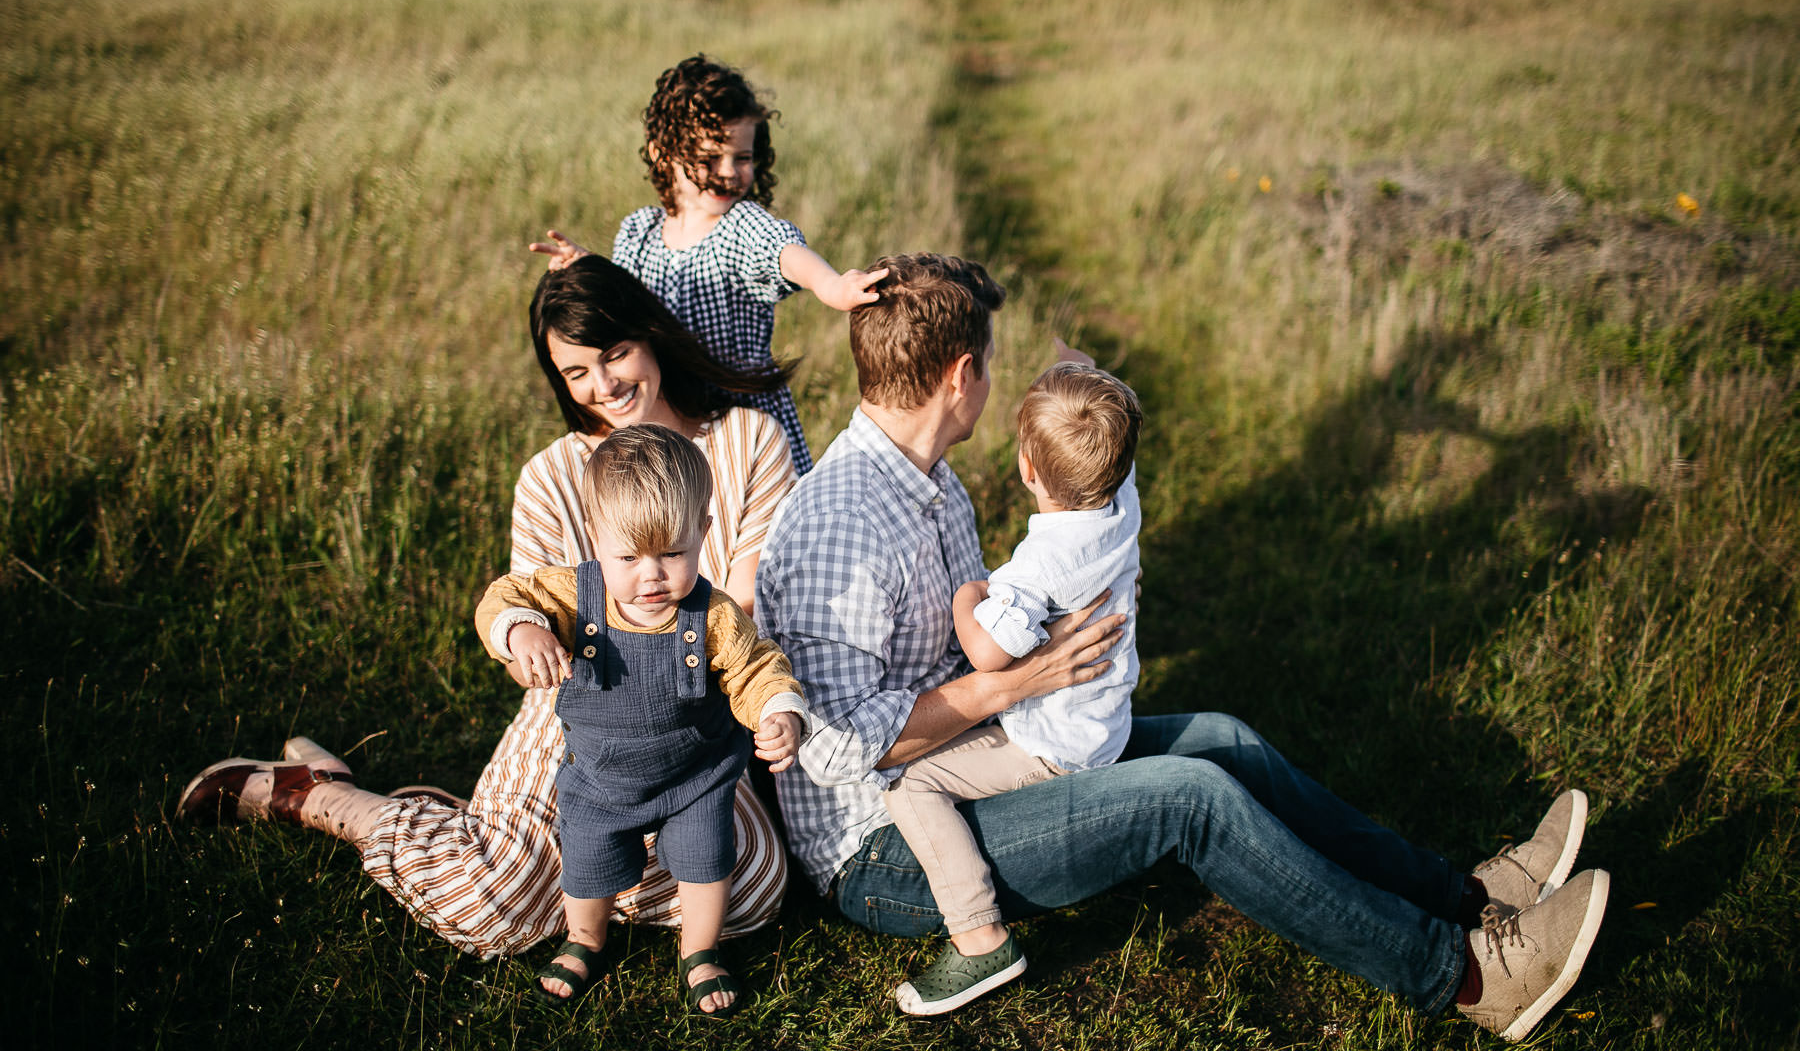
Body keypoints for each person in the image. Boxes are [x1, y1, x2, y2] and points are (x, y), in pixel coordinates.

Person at [756, 253, 1608, 1042]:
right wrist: (1011, 688)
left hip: (976, 754)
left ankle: (1470, 895)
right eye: (992, 359)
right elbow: (836, 751)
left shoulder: (931, 483)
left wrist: (1034, 665)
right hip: (885, 850)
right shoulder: (843, 522)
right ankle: (1466, 976)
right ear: (962, 374)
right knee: (1189, 797)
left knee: (1222, 738)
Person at [178, 256, 800, 982]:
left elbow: (746, 610)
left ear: (650, 335)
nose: (605, 385)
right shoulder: (552, 476)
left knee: (756, 891)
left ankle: (548, 859)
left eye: (616, 353)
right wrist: (529, 638)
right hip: (578, 710)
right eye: (576, 373)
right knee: (487, 907)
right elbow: (517, 620)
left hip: (698, 719)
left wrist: (768, 706)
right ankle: (323, 796)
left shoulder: (746, 442)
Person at [476, 424, 806, 1015]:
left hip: (694, 777)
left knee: (708, 858)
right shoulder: (571, 596)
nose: (651, 574)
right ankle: (585, 939)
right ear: (595, 538)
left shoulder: (713, 615)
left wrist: (777, 710)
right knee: (587, 863)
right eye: (627, 556)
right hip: (601, 778)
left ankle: (699, 951)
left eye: (673, 554)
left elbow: (755, 668)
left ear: (703, 534)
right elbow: (504, 595)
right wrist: (521, 628)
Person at [880, 360, 1144, 1014]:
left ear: (1027, 468)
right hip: (1104, 723)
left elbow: (988, 650)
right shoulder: (1122, 504)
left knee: (910, 781)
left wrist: (970, 595)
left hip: (1052, 744)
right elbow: (1110, 440)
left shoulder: (1041, 563)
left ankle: (980, 936)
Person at [531, 53, 887, 475]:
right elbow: (623, 303)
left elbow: (784, 252)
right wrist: (588, 266)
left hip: (742, 414)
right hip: (674, 415)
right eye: (708, 159)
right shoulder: (639, 232)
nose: (728, 173)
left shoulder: (739, 226)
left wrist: (829, 285)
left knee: (768, 527)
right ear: (662, 155)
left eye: (742, 158)